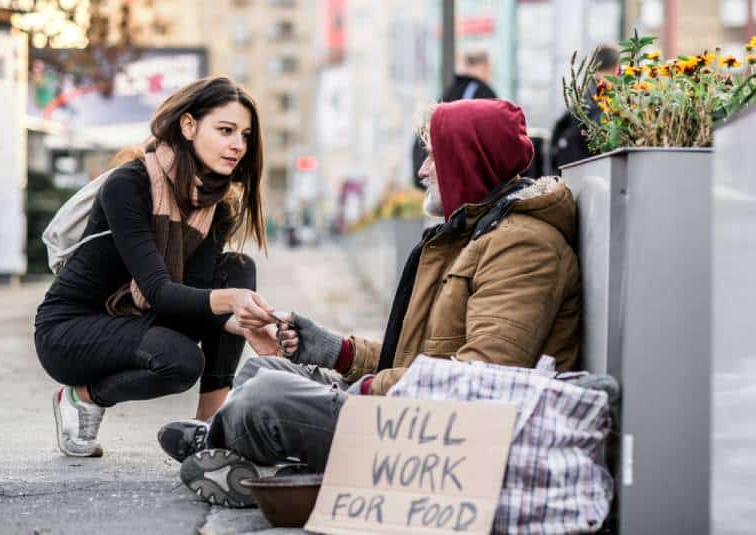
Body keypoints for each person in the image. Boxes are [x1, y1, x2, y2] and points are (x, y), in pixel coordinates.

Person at [159, 98, 581, 507]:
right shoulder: (472, 235)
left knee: (264, 396)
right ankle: (262, 465)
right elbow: (417, 359)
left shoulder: (524, 246)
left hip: (451, 438)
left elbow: (480, 379)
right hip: (420, 413)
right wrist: (335, 351)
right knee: (263, 369)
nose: (422, 170)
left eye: (433, 156)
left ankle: (230, 449)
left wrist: (362, 391)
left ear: (468, 159)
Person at [34, 77, 284, 458]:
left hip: (141, 320)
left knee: (237, 267)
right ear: (188, 126)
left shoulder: (215, 205)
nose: (238, 145)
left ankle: (209, 427)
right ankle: (81, 397)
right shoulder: (128, 185)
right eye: (226, 130)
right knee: (181, 360)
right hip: (70, 330)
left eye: (246, 136)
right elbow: (159, 291)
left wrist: (250, 324)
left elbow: (195, 295)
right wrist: (233, 303)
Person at [412, 50, 497, 189]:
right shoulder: (482, 92)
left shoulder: (451, 90)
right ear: (486, 66)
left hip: (437, 179)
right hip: (458, 181)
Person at [550, 44, 619, 173]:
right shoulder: (601, 97)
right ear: (615, 69)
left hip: (572, 169)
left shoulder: (585, 94)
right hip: (590, 171)